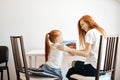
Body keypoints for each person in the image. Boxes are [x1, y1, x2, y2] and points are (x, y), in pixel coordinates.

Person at [57, 15, 106, 80]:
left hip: (93, 69)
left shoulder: (90, 33)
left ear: (88, 22)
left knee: (71, 70)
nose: (82, 28)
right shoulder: (100, 32)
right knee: (74, 65)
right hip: (102, 68)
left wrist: (68, 49)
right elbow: (88, 51)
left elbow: (85, 53)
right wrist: (73, 51)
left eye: (82, 24)